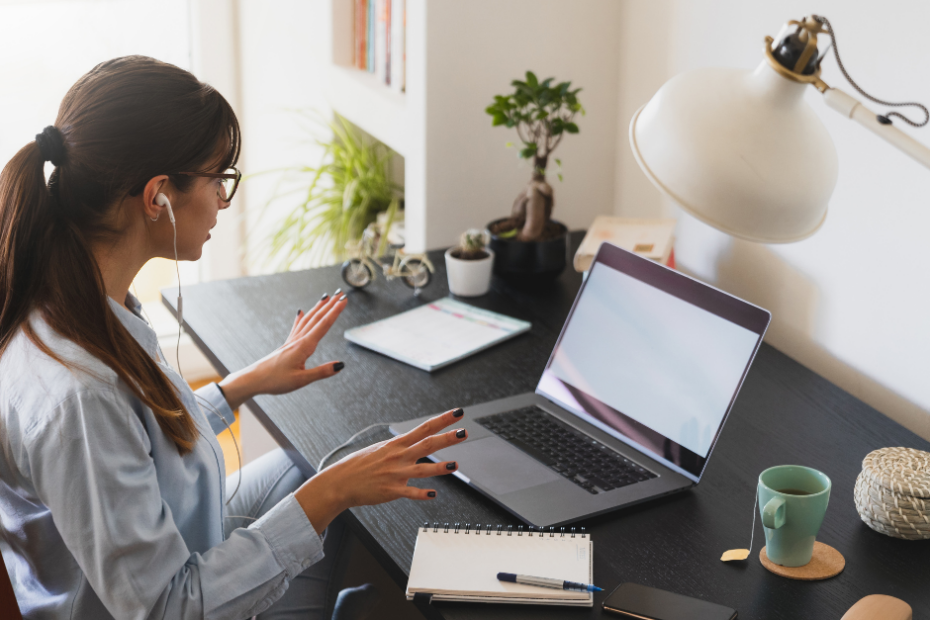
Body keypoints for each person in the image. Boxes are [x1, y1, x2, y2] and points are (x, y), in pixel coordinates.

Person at [0, 55, 467, 620]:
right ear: (158, 197)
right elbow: (168, 607)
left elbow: (138, 439)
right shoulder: (81, 394)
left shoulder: (71, 299)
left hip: (173, 543)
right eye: (218, 177)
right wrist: (331, 494)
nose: (224, 198)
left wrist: (245, 384)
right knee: (331, 485)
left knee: (320, 461)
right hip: (171, 600)